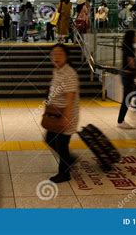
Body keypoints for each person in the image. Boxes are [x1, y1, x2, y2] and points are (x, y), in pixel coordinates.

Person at [44, 44, 79, 183]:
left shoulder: (69, 73)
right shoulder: (58, 70)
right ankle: (69, 159)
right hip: (55, 114)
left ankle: (64, 173)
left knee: (61, 145)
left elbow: (70, 98)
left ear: (66, 56)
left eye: (60, 54)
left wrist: (67, 118)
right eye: (54, 54)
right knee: (50, 140)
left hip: (66, 115)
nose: (56, 57)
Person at [116, 30, 136, 129]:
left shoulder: (126, 47)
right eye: (135, 36)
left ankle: (134, 114)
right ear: (131, 37)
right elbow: (131, 63)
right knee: (127, 99)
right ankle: (120, 121)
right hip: (128, 76)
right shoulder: (130, 48)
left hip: (126, 76)